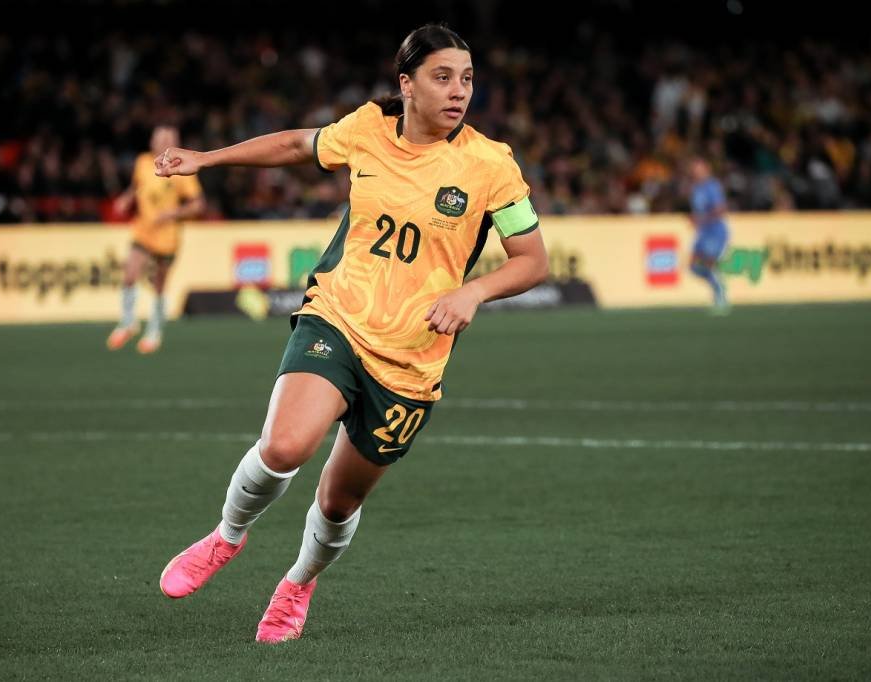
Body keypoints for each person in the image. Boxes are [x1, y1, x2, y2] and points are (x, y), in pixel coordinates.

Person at [154, 24, 549, 643]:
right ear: (407, 85)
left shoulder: (491, 164)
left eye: (467, 79)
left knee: (338, 505)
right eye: (442, 77)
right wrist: (206, 158)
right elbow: (293, 146)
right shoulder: (366, 128)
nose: (458, 92)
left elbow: (533, 260)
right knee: (285, 447)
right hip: (339, 317)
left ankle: (297, 584)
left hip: (413, 360)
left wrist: (473, 291)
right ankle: (225, 536)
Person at [106, 125, 205, 354]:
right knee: (130, 273)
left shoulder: (181, 169)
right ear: (152, 141)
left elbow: (198, 205)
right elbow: (136, 186)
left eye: (169, 138)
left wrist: (173, 213)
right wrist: (126, 198)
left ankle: (154, 330)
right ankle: (129, 322)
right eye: (159, 138)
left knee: (159, 285)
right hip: (143, 230)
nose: (163, 142)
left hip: (167, 236)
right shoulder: (142, 162)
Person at [687, 157, 730, 312]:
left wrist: (702, 219)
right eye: (694, 169)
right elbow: (699, 211)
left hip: (715, 232)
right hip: (703, 233)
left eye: (698, 168)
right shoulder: (696, 188)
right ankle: (717, 284)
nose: (695, 172)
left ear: (706, 169)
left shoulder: (712, 186)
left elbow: (720, 208)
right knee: (692, 266)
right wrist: (695, 219)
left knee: (708, 262)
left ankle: (719, 294)